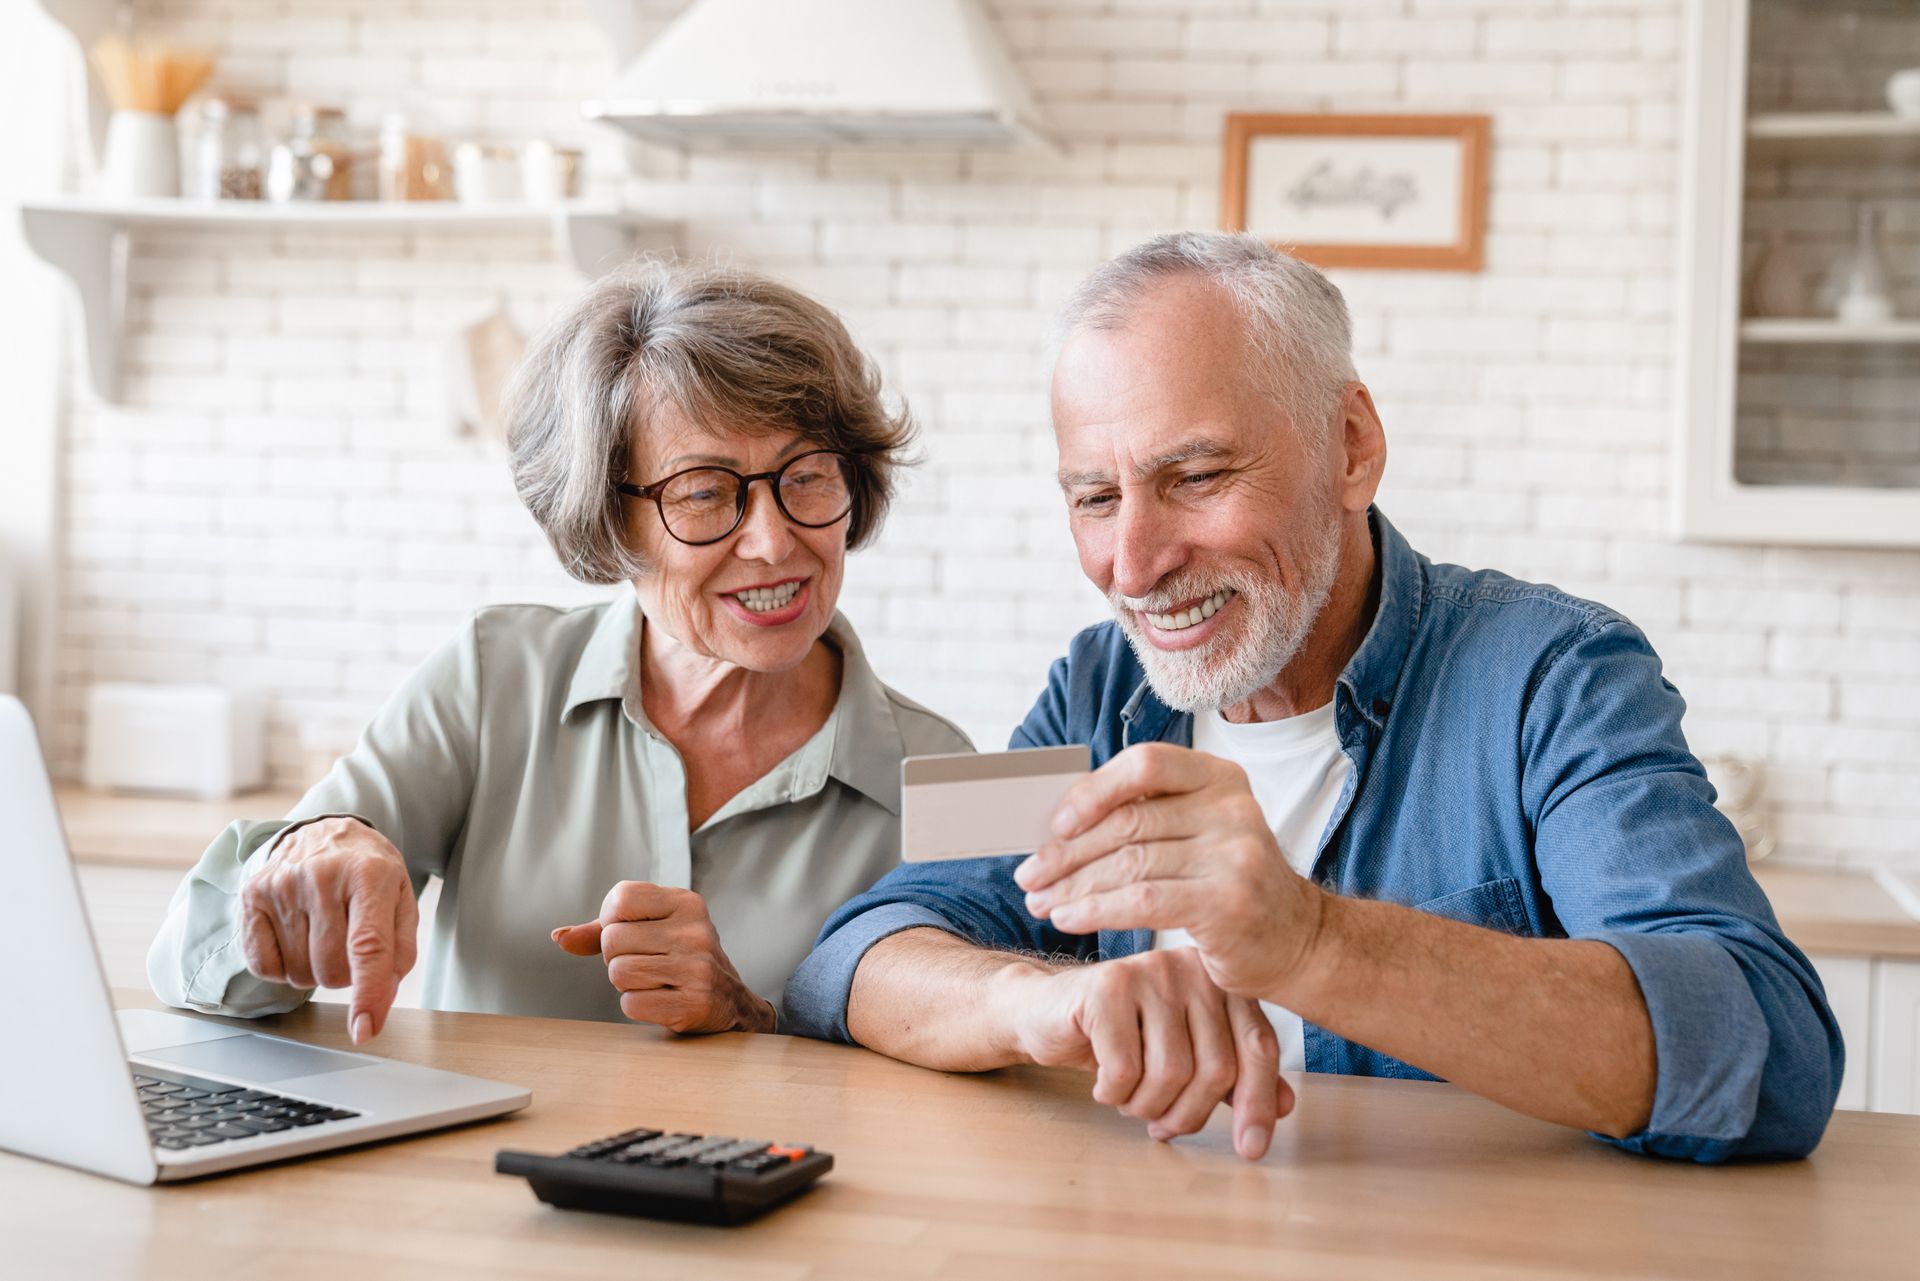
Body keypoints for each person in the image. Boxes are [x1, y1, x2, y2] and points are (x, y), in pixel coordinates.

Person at [785, 232, 1843, 1164]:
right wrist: (1043, 1001)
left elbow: (1769, 1054)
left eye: (1195, 476)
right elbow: (861, 954)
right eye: (1097, 498)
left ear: (1352, 447)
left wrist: (1310, 941)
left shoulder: (1557, 677)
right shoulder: (1094, 692)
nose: (1136, 562)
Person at [148, 260, 969, 1045]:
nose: (771, 539)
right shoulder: (493, 679)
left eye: (808, 476)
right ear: (608, 519)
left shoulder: (936, 771)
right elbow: (193, 966)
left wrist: (748, 1017)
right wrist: (298, 864)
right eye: (704, 493)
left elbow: (969, 1087)